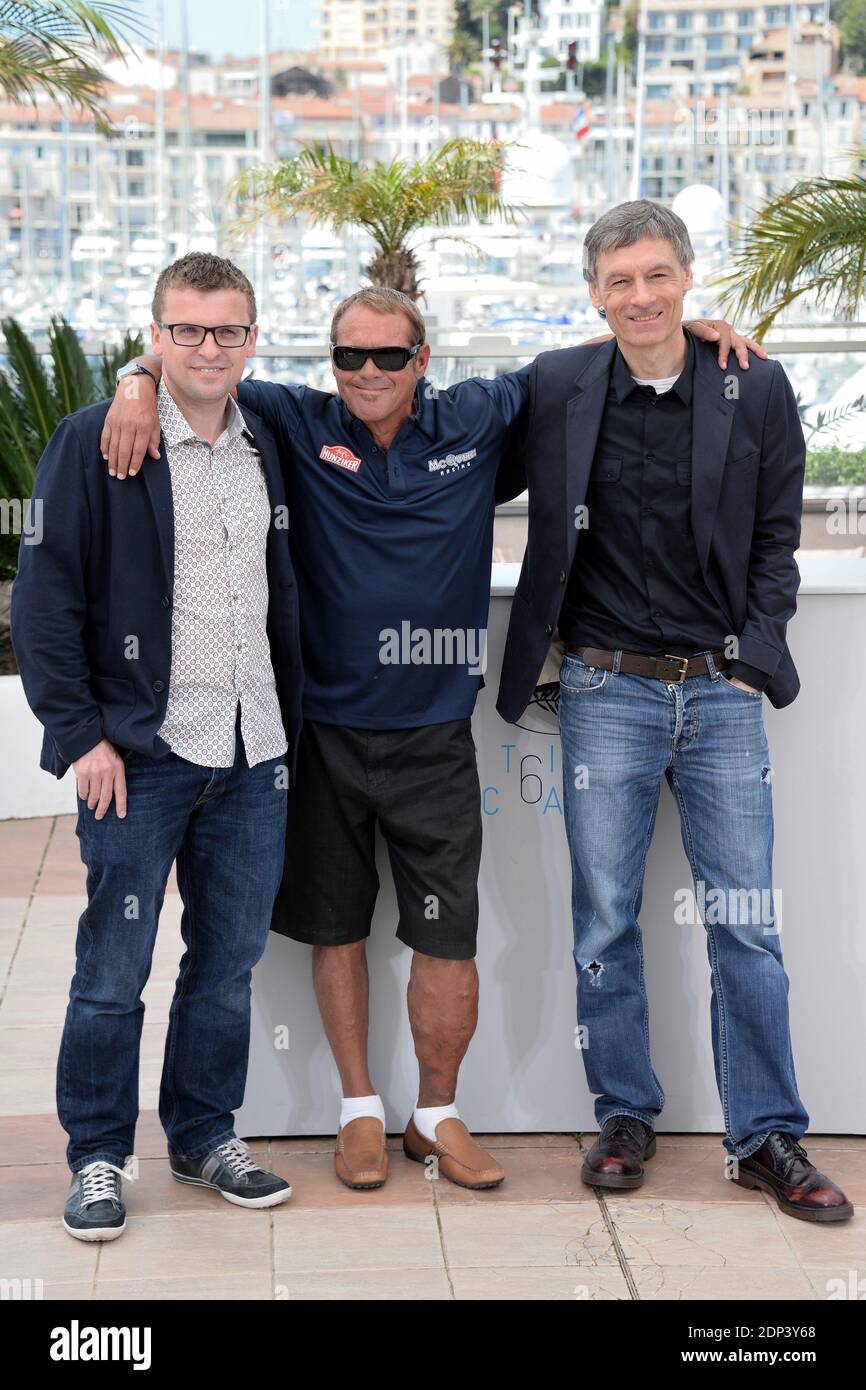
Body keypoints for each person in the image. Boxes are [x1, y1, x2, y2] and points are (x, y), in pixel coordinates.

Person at [103, 282, 757, 1192]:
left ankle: (437, 1115)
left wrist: (683, 327)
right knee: (335, 934)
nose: (367, 373)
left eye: (388, 356)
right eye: (349, 356)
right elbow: (198, 369)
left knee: (446, 939)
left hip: (436, 738)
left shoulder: (479, 416)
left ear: (422, 361)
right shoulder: (292, 418)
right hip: (322, 733)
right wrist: (137, 378)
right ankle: (360, 1113)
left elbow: (592, 364)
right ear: (329, 363)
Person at [496, 200, 853, 1222]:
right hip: (604, 689)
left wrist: (750, 663)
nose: (639, 296)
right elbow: (447, 440)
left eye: (656, 276)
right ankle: (623, 1114)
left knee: (745, 924)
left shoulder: (753, 382)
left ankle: (765, 1135)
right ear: (593, 292)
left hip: (721, 695)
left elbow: (775, 537)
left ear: (687, 279)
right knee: (601, 920)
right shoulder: (557, 383)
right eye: (618, 281)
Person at [11, 252, 303, 1240]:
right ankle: (98, 1154)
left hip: (254, 749)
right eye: (186, 330)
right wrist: (82, 735)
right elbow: (44, 603)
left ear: (253, 338)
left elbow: (383, 385)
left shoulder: (275, 437)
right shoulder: (97, 440)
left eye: (226, 330)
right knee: (111, 969)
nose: (207, 347)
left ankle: (203, 1133)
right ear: (156, 335)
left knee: (225, 964)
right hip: (140, 760)